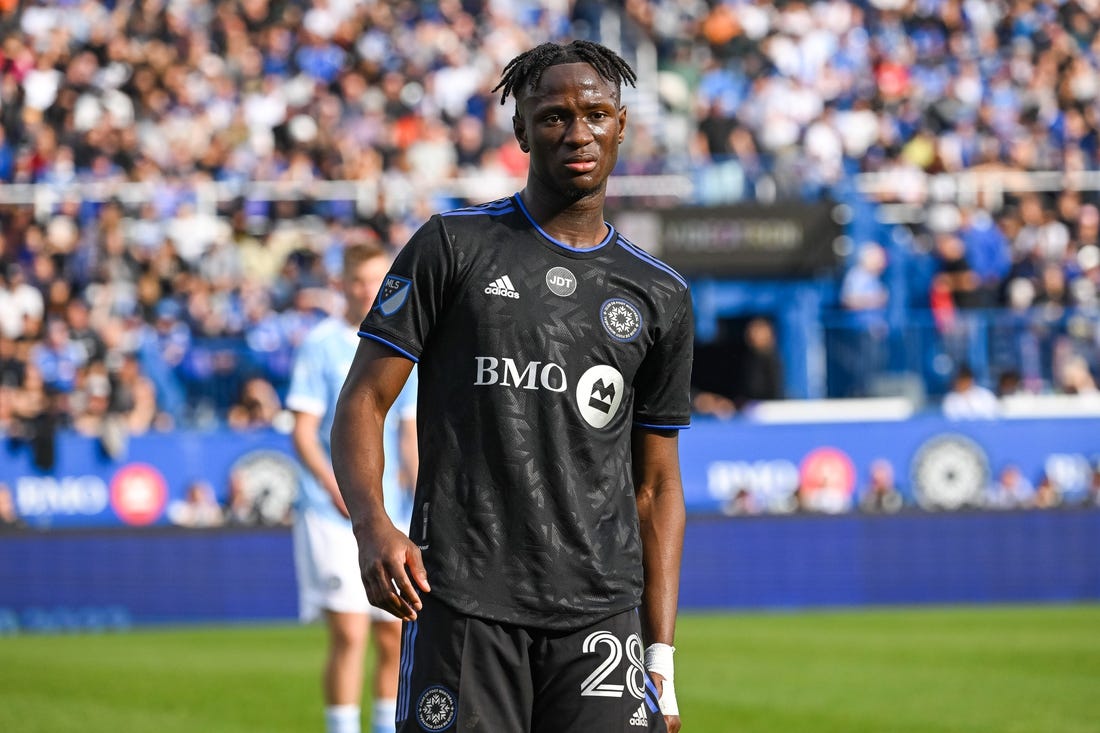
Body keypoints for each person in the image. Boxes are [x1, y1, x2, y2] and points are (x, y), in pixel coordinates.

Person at [331, 40, 690, 733]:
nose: (577, 131)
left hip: (600, 617)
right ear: (521, 131)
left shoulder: (659, 293)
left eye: (595, 113)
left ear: (622, 126)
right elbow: (364, 400)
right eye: (554, 116)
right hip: (464, 600)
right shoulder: (452, 246)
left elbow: (656, 486)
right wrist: (373, 526)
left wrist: (662, 660)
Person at [288, 243, 419, 733]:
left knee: (395, 633)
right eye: (360, 280)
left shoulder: (401, 340)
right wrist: (333, 486)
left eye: (376, 279)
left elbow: (408, 431)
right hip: (331, 513)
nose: (369, 289)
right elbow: (303, 430)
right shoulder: (320, 343)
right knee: (349, 631)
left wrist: (418, 482)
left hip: (393, 511)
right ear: (343, 284)